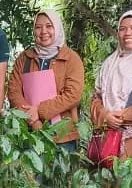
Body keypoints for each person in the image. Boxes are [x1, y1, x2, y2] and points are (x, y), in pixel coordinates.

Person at [6, 9, 84, 150]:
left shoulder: (71, 59)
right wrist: (33, 119)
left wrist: (40, 111)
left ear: (57, 28)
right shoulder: (25, 58)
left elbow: (73, 95)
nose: (43, 31)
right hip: (29, 133)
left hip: (63, 137)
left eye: (49, 26)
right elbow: (13, 92)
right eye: (38, 27)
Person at [90, 10, 132, 159]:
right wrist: (106, 116)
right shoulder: (109, 63)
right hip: (107, 136)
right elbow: (96, 98)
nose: (128, 33)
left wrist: (121, 116)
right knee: (107, 180)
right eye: (122, 29)